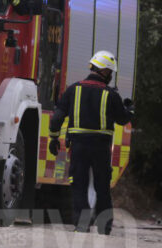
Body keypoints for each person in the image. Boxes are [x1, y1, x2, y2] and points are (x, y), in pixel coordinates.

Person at [48, 51, 135, 234]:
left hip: (78, 146)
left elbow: (56, 118)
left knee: (78, 184)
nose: (111, 76)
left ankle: (82, 224)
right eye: (110, 72)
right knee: (102, 186)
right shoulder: (111, 95)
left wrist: (54, 138)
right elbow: (122, 119)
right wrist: (129, 110)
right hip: (101, 147)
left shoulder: (73, 89)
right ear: (104, 71)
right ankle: (104, 226)